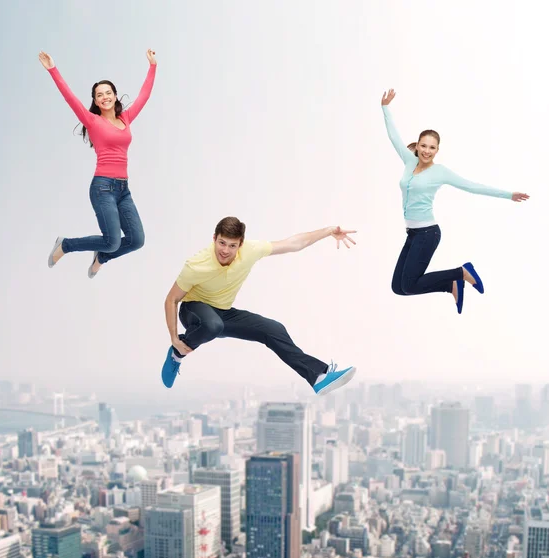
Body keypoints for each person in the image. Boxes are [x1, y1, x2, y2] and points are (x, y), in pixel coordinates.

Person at [161, 217, 357, 395]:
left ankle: (317, 376)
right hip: (193, 310)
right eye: (221, 243)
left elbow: (294, 243)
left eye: (232, 245)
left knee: (273, 329)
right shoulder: (197, 264)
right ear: (214, 238)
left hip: (223, 312)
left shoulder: (251, 251)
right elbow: (171, 300)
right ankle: (177, 354)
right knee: (212, 325)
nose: (225, 250)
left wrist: (329, 230)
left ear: (241, 245)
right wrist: (174, 338)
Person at [381, 89, 529, 313]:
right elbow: (394, 136)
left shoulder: (440, 172)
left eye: (432, 147)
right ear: (418, 145)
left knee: (409, 284)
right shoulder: (409, 162)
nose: (426, 151)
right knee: (398, 288)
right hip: (412, 234)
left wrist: (508, 194)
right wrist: (385, 108)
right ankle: (450, 285)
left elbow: (472, 186)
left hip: (427, 234)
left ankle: (460, 273)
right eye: (423, 146)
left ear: (437, 150)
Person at [39, 49, 157, 278]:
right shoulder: (92, 121)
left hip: (123, 190)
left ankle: (101, 257)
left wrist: (152, 66)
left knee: (137, 240)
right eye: (99, 95)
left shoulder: (126, 119)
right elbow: (69, 98)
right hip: (103, 188)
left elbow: (144, 95)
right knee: (112, 241)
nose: (104, 97)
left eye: (108, 92)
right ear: (95, 100)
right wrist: (53, 70)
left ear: (115, 95)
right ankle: (65, 245)